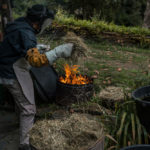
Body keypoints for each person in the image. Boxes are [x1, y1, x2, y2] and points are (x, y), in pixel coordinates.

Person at [0, 4, 74, 150]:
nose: (45, 26)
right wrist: (58, 52)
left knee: (20, 99)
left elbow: (18, 44)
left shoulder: (20, 23)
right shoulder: (27, 33)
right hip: (11, 71)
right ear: (39, 21)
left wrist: (36, 47)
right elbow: (36, 61)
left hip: (5, 65)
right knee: (29, 108)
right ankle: (25, 144)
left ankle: (19, 122)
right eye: (45, 23)